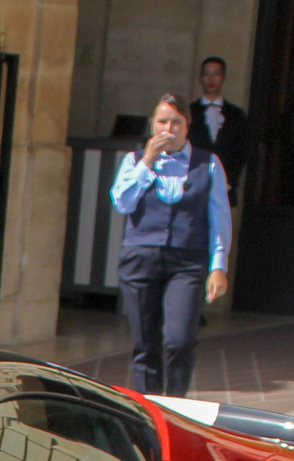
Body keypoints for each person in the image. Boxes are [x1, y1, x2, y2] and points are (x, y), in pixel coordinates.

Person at [109, 94, 230, 398]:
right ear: (152, 124)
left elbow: (219, 217)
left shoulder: (209, 164)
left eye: (177, 122)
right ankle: (149, 408)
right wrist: (148, 161)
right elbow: (122, 202)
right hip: (140, 257)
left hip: (187, 261)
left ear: (188, 127)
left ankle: (176, 404)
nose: (169, 128)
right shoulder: (134, 160)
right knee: (145, 343)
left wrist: (219, 266)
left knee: (180, 339)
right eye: (162, 121)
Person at [188, 56, 250, 203]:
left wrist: (231, 181)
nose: (211, 79)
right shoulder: (188, 112)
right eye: (207, 74)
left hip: (225, 185)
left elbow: (242, 151)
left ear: (223, 77)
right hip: (193, 184)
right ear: (201, 77)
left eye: (216, 74)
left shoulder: (237, 115)